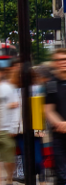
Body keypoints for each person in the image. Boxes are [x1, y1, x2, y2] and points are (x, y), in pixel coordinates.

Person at [0, 62, 19, 185]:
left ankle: (9, 179)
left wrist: (14, 126)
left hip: (7, 129)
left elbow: (16, 106)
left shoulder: (8, 88)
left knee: (8, 161)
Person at [41, 48, 66, 183]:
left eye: (64, 59)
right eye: (59, 60)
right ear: (54, 63)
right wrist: (60, 124)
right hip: (59, 136)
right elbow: (48, 109)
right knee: (62, 176)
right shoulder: (51, 84)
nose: (63, 62)